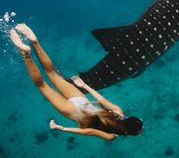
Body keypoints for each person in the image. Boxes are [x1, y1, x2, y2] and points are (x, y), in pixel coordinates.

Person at [10, 24, 144, 140]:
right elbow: (89, 131)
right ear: (127, 132)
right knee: (41, 85)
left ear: (130, 118)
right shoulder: (111, 136)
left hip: (81, 99)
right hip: (72, 111)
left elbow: (101, 100)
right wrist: (61, 128)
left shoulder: (118, 111)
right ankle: (26, 53)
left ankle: (34, 42)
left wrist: (84, 85)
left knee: (52, 73)